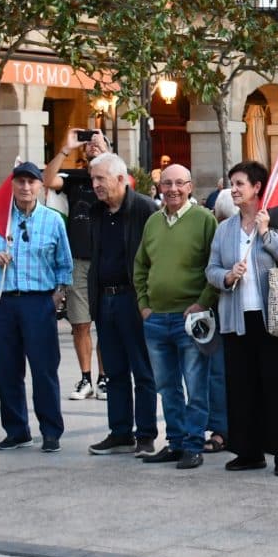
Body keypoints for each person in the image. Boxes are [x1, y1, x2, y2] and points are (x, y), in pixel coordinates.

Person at [206, 160, 278, 477]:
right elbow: (211, 270)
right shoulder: (225, 230)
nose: (233, 190)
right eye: (231, 184)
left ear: (257, 187)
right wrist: (226, 276)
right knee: (242, 386)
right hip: (237, 320)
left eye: (239, 184)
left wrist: (266, 234)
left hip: (274, 319)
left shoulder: (277, 222)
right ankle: (248, 451)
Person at [0, 162, 73, 453]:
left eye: (31, 182)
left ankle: (51, 431)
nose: (26, 188)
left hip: (38, 301)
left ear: (41, 186)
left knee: (44, 369)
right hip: (4, 300)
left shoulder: (53, 220)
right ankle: (16, 430)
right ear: (13, 185)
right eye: (20, 182)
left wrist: (58, 295)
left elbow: (64, 264)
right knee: (7, 369)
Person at [134, 162, 218, 470]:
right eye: (167, 184)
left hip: (190, 321)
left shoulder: (205, 220)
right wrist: (144, 304)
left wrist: (203, 302)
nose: (172, 189)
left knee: (196, 386)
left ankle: (194, 445)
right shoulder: (153, 222)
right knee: (166, 387)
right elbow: (141, 265)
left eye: (179, 183)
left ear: (190, 187)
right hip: (155, 319)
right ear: (159, 187)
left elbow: (215, 264)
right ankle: (175, 441)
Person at [83, 153, 160, 458]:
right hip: (105, 299)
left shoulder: (144, 209)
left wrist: (148, 300)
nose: (95, 185)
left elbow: (154, 255)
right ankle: (119, 432)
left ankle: (145, 434)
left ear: (119, 178)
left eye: (100, 178)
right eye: (93, 179)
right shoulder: (96, 212)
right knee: (113, 371)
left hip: (133, 298)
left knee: (142, 370)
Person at [44, 127, 111, 403]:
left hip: (106, 261)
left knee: (105, 324)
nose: (92, 144)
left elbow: (124, 183)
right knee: (81, 324)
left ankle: (104, 378)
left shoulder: (114, 179)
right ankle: (85, 377)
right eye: (89, 143)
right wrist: (66, 147)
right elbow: (47, 180)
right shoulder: (74, 178)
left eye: (99, 140)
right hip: (78, 261)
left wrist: (105, 154)